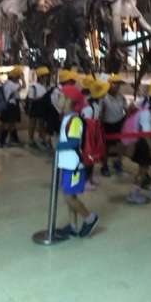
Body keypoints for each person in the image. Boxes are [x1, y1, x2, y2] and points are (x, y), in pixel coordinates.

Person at [56, 85, 99, 239]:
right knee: (68, 195)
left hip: (74, 165)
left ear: (69, 101)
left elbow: (74, 142)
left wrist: (58, 145)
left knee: (70, 196)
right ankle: (73, 226)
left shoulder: (75, 120)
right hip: (67, 164)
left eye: (61, 97)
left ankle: (90, 218)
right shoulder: (67, 118)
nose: (58, 100)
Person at [80, 79, 110, 191]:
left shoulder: (96, 105)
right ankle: (85, 180)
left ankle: (90, 177)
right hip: (88, 136)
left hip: (94, 134)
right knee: (87, 158)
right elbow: (85, 124)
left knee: (92, 158)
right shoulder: (88, 108)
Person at [99, 74, 128, 177]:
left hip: (119, 123)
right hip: (106, 124)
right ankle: (104, 166)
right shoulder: (103, 97)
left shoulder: (121, 97)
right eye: (115, 84)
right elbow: (100, 113)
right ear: (109, 84)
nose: (118, 86)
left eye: (119, 84)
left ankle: (118, 162)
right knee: (105, 147)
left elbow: (126, 109)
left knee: (121, 144)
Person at [0, 66, 26, 148]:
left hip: (7, 105)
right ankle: (2, 142)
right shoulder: (12, 85)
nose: (19, 77)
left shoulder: (7, 83)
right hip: (11, 106)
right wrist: (23, 78)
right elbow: (24, 86)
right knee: (8, 124)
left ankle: (13, 140)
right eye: (19, 76)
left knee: (11, 124)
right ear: (15, 76)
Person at [27, 66, 50, 149]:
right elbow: (30, 98)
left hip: (43, 107)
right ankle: (31, 140)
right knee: (32, 123)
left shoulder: (46, 87)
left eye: (47, 76)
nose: (47, 78)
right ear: (41, 77)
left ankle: (41, 138)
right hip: (35, 106)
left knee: (41, 123)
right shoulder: (33, 86)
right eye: (45, 76)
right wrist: (41, 98)